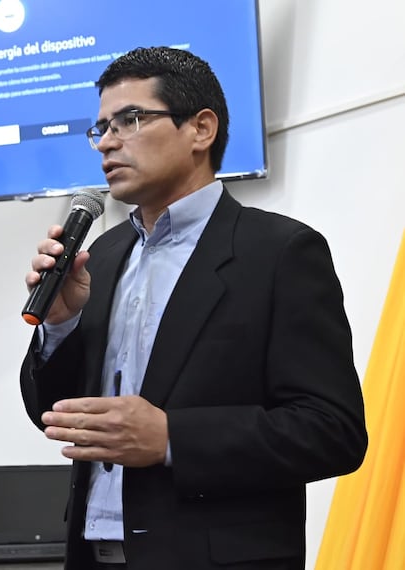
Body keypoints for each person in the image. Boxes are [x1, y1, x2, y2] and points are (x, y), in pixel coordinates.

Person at [19, 46, 367, 570]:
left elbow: (331, 432)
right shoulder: (101, 256)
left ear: (201, 129)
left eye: (130, 119)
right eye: (101, 128)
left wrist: (171, 438)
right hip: (92, 556)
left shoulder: (279, 253)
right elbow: (58, 417)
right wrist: (63, 324)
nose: (107, 142)